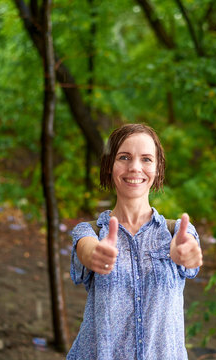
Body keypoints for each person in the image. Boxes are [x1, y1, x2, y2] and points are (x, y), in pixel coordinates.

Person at [67, 123, 203, 360]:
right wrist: (96, 255)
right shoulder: (89, 232)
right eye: (124, 157)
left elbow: (187, 250)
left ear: (158, 169)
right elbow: (87, 250)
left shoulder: (177, 232)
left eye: (147, 159)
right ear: (109, 165)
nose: (135, 167)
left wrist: (186, 253)